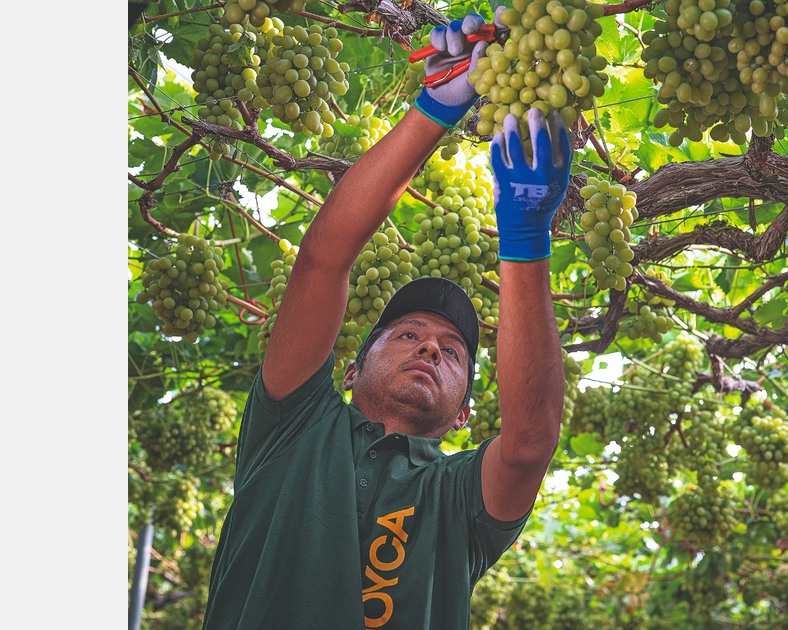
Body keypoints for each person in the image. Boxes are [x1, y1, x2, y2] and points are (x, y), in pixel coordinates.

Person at [202, 9, 573, 629]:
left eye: (453, 351)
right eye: (408, 335)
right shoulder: (293, 428)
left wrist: (525, 239)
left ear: (462, 416)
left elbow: (531, 440)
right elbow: (322, 262)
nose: (430, 348)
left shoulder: (459, 499)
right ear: (349, 371)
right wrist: (432, 113)